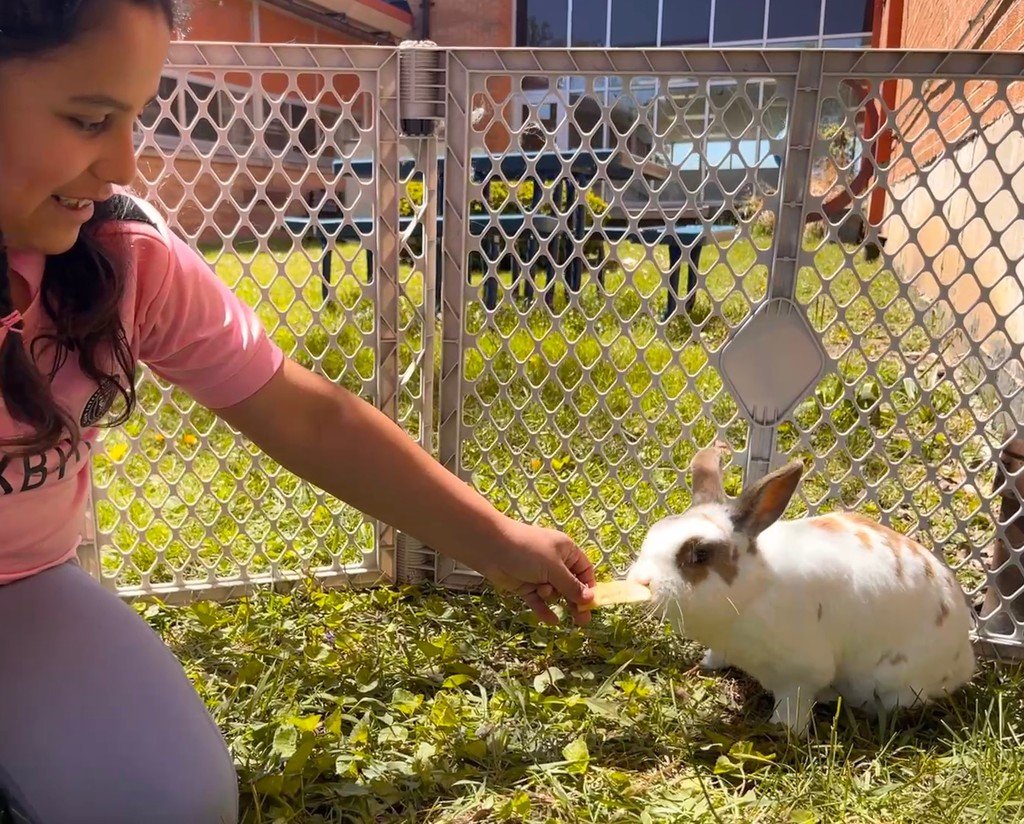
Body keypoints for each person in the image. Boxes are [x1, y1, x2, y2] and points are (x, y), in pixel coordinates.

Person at [0, 2, 596, 821]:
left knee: (166, 803)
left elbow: (302, 414)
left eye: (135, 119)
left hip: (21, 586)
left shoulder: (122, 255)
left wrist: (496, 540)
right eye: (90, 119)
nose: (124, 166)